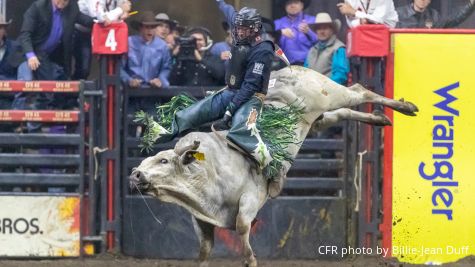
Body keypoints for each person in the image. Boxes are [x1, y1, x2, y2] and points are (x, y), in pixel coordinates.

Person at [154, 2, 281, 196]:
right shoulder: (240, 26)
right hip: (231, 90)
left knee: (242, 132)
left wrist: (230, 110)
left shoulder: (262, 49)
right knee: (193, 113)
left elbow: (251, 85)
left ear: (254, 29)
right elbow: (230, 11)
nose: (238, 31)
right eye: (237, 27)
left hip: (252, 97)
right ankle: (158, 135)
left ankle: (273, 169)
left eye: (243, 29)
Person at [73, 0, 132, 79]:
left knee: (110, 66)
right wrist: (120, 10)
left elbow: (125, 7)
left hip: (105, 32)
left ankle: (108, 90)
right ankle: (75, 90)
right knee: (84, 69)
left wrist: (123, 11)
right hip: (84, 32)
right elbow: (101, 19)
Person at [120, 11, 172, 89]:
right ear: (140, 28)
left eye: (152, 27)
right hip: (132, 91)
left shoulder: (162, 46)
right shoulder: (129, 43)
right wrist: (129, 80)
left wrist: (160, 80)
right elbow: (119, 67)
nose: (150, 30)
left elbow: (166, 68)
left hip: (154, 91)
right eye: (147, 27)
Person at [304, 13, 349, 85]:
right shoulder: (312, 50)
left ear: (332, 30)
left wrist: (324, 87)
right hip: (311, 89)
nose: (322, 31)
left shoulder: (338, 48)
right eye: (319, 28)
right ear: (316, 31)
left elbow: (340, 75)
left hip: (330, 91)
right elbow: (305, 71)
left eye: (325, 28)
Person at [274, 0, 316, 65]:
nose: (292, 5)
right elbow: (265, 39)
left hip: (308, 65)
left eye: (296, 3)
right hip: (284, 65)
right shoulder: (277, 23)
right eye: (289, 3)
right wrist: (280, 32)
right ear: (285, 6)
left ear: (302, 5)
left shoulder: (313, 21)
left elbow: (322, 42)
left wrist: (309, 32)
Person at [0, 16, 22, 80]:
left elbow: (22, 80)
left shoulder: (16, 48)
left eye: (0, 28)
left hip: (10, 89)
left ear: (4, 31)